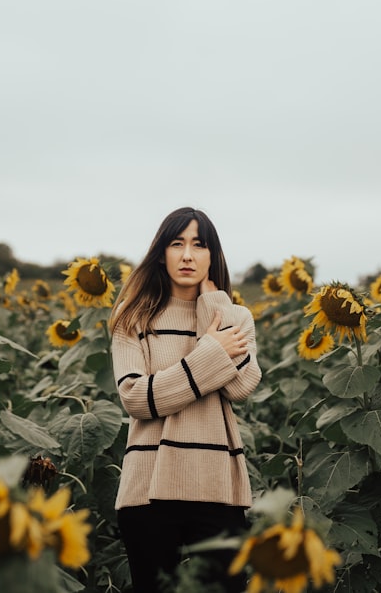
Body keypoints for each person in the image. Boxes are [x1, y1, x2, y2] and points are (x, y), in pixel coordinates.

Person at [109, 207, 262, 593]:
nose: (188, 255)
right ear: (162, 253)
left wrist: (214, 309)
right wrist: (211, 353)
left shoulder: (236, 317)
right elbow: (136, 398)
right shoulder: (134, 318)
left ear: (213, 256)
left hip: (216, 485)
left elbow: (241, 386)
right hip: (148, 485)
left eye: (199, 245)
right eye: (177, 244)